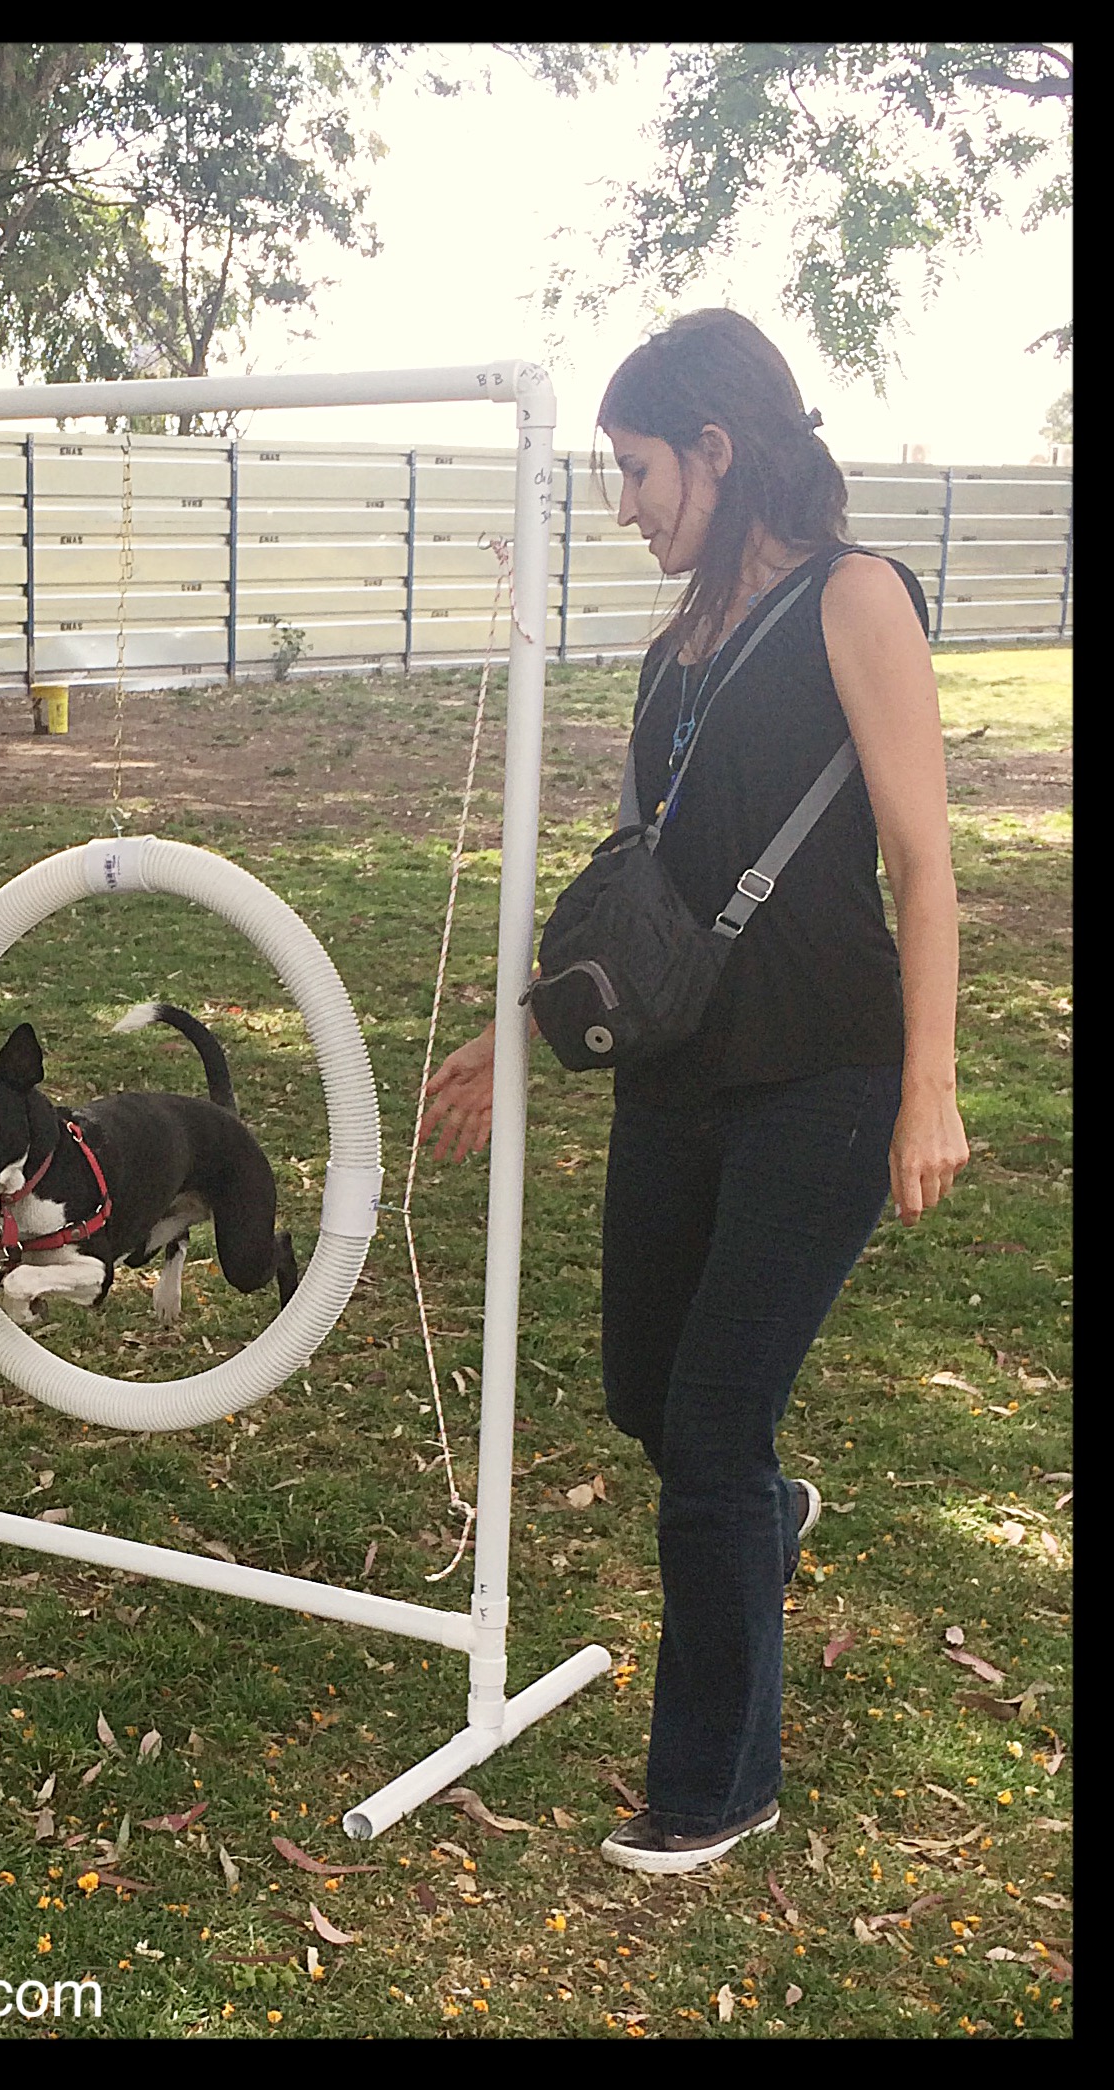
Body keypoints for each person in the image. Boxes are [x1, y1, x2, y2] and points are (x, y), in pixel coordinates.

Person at [420, 308, 969, 1875]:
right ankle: (766, 1511)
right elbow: (655, 902)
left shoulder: (856, 600)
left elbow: (925, 863)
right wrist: (515, 1034)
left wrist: (928, 1086)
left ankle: (716, 1782)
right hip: (678, 1077)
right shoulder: (673, 654)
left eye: (640, 468)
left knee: (714, 1420)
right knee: (644, 1394)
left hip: (830, 1075)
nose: (627, 503)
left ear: (720, 453)